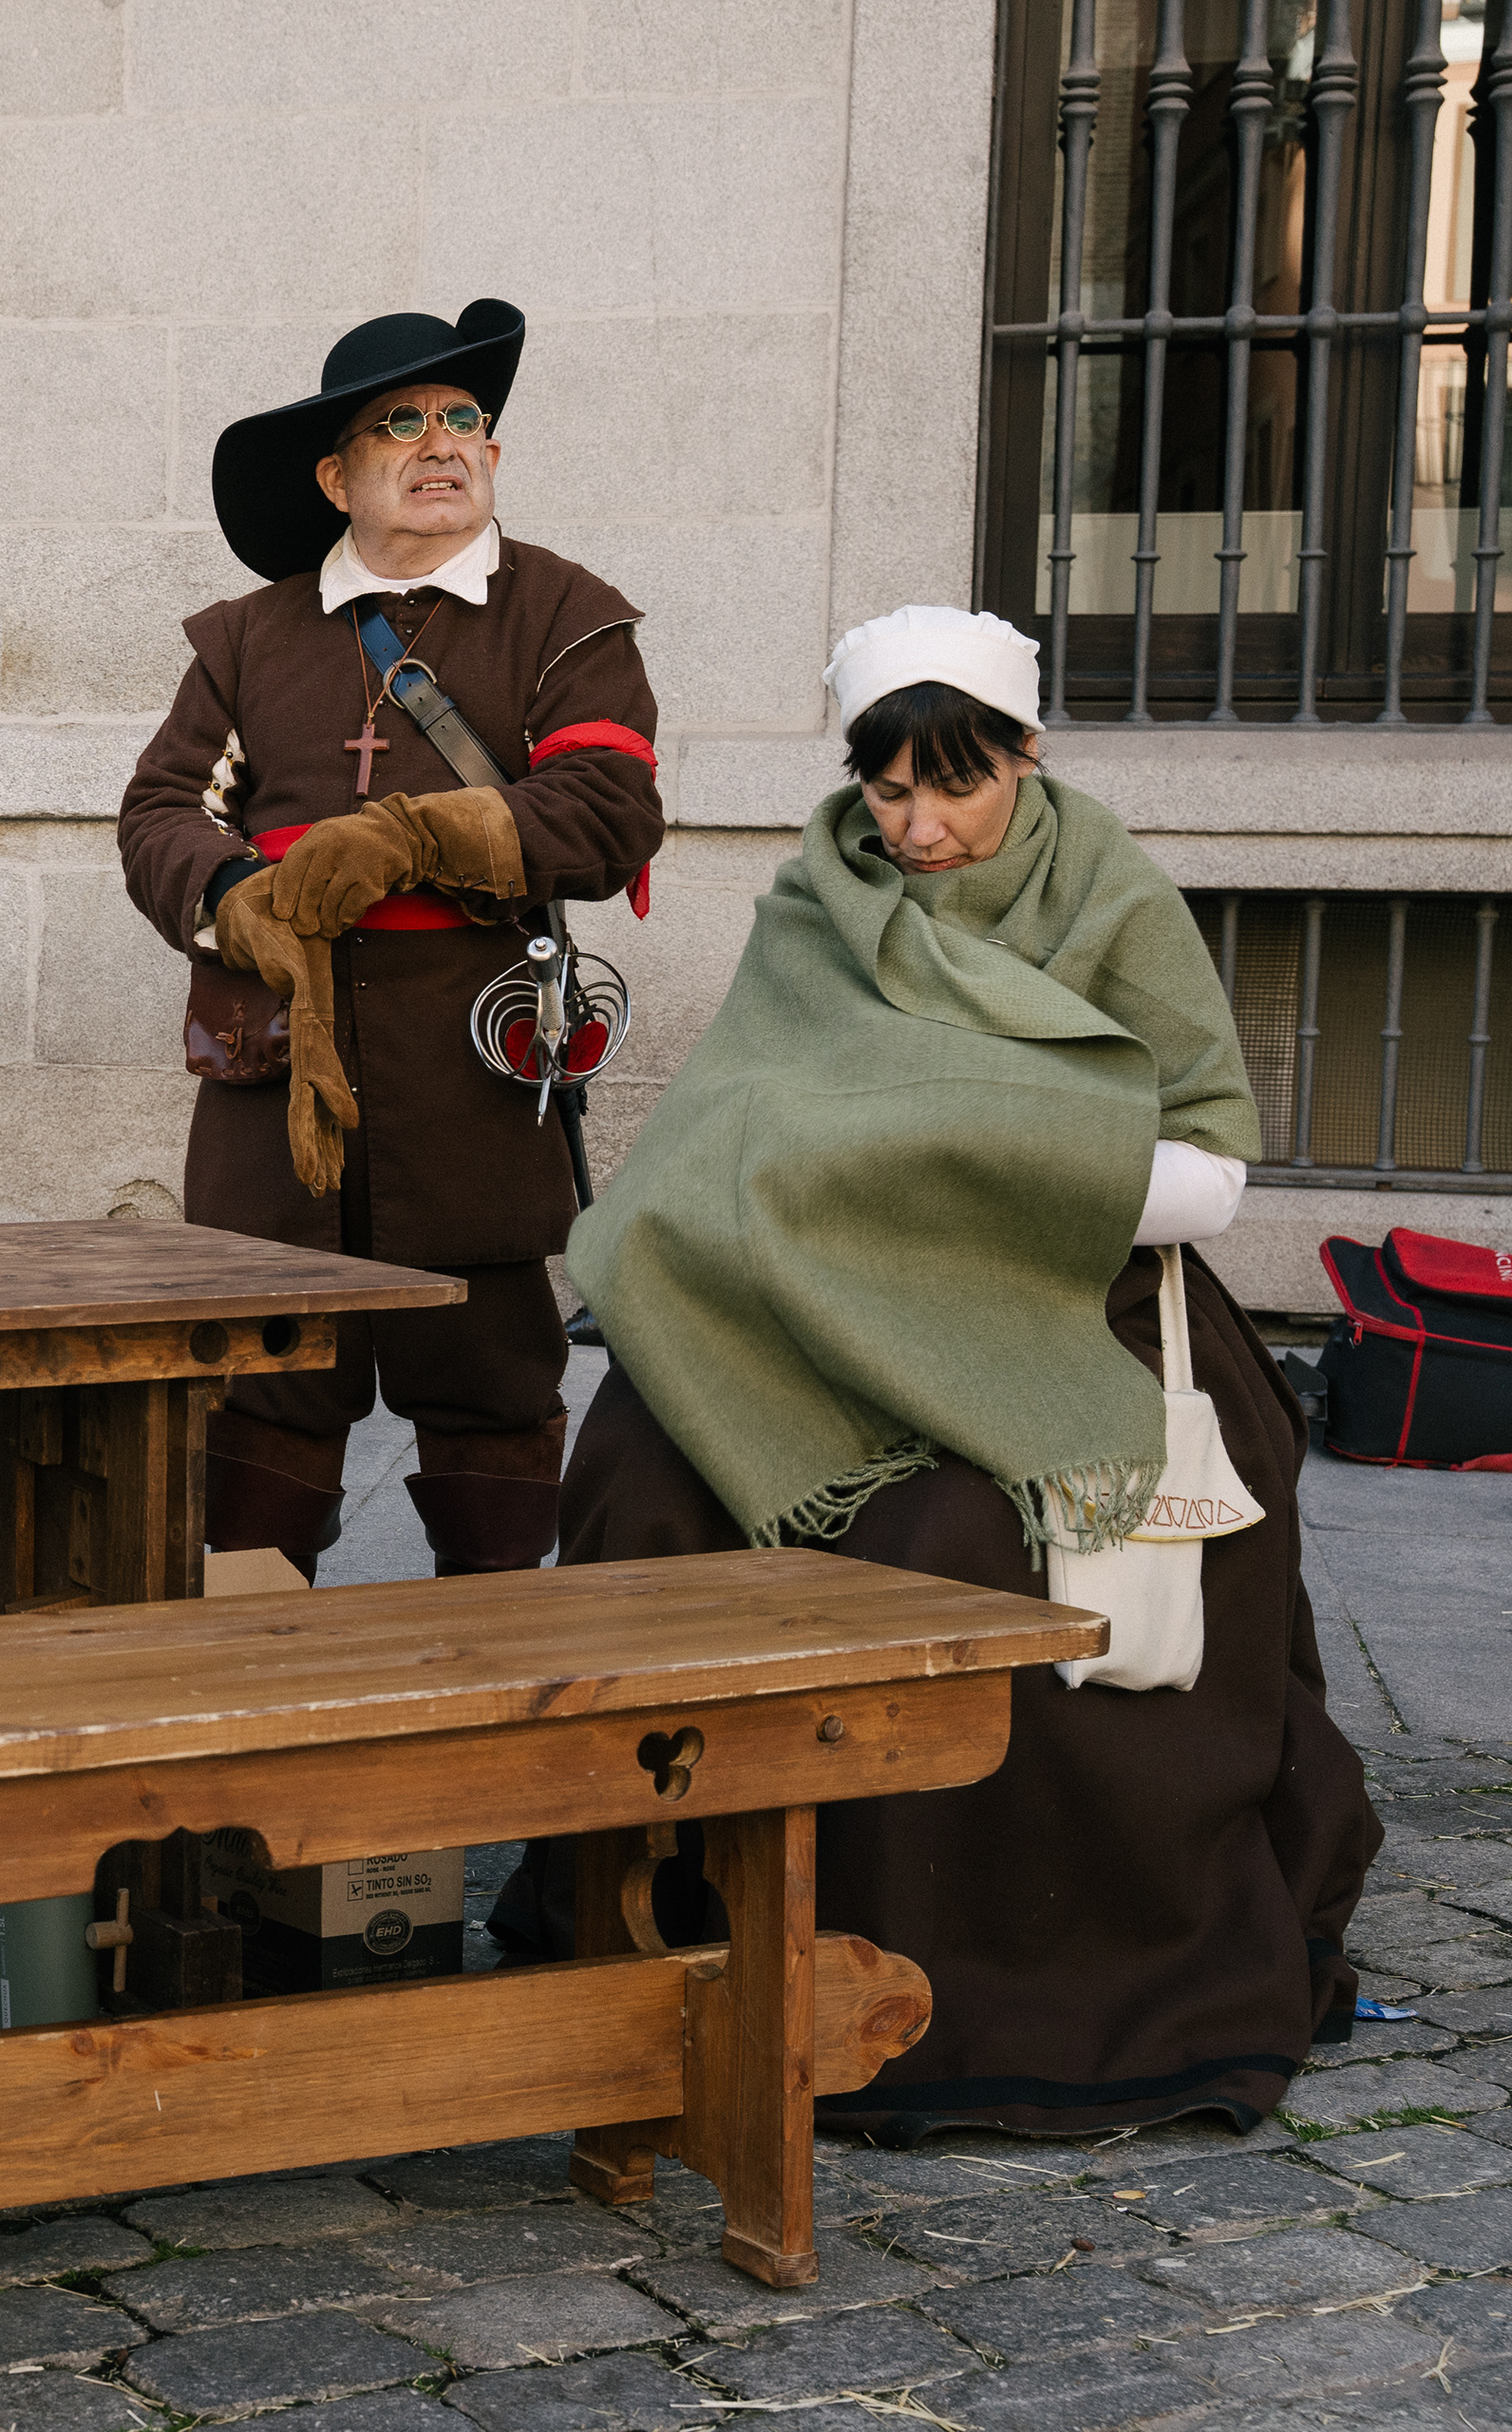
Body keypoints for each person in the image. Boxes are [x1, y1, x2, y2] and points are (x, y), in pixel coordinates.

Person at [501, 605, 1381, 2139]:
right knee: (645, 1470)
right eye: (890, 790)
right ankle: (667, 1919)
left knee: (955, 1541)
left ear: (1027, 758)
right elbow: (740, 1124)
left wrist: (973, 1172)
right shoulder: (815, 902)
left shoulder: (1110, 894)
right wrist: (823, 1192)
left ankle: (975, 1985)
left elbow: (1212, 1169)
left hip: (1065, 1300)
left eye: (957, 788)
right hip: (818, 1304)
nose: (919, 828)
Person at [119, 298, 664, 1580]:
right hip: (274, 1068)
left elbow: (608, 809)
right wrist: (241, 901)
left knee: (490, 1384)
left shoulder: (571, 616)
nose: (440, 443)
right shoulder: (245, 641)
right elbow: (160, 813)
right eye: (398, 423)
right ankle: (259, 1686)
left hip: (472, 1073)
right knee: (263, 1385)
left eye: (464, 419)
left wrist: (420, 839)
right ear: (335, 473)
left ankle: (494, 1661)